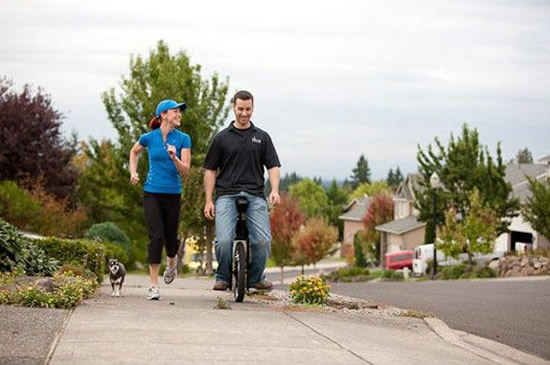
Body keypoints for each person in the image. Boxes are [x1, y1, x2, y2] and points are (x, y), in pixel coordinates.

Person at [203, 90, 281, 291]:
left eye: (248, 109)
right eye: (240, 109)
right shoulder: (221, 138)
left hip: (255, 194)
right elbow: (210, 170)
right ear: (233, 108)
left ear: (253, 108)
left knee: (263, 241)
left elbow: (273, 166)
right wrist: (209, 200)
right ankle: (223, 276)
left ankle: (255, 278)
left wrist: (274, 189)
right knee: (224, 240)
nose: (244, 113)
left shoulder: (262, 137)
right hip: (226, 195)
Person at [129, 99, 191, 300]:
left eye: (179, 112)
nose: (179, 114)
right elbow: (134, 152)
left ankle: (172, 261)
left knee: (171, 239)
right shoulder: (149, 138)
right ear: (163, 114)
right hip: (152, 193)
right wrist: (133, 172)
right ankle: (153, 285)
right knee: (156, 236)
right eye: (175, 111)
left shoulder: (183, 139)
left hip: (173, 193)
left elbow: (186, 171)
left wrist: (175, 158)